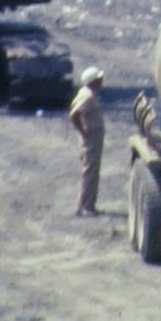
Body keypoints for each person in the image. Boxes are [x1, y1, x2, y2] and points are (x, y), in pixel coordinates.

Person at [68, 68, 106, 217]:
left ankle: (88, 205)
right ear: (93, 81)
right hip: (91, 137)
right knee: (90, 172)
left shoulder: (86, 93)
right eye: (99, 79)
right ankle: (85, 207)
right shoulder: (88, 96)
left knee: (92, 171)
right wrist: (83, 130)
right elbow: (74, 114)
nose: (101, 81)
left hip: (93, 136)